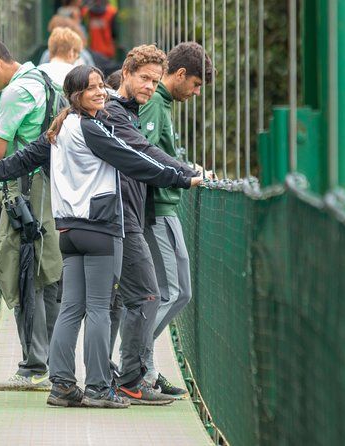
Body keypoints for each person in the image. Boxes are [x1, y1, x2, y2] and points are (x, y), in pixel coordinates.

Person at [0, 44, 201, 405]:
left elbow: (22, 159)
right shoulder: (95, 129)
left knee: (73, 307)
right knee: (103, 308)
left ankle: (61, 385)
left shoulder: (58, 129)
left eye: (101, 89)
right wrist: (182, 176)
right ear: (79, 95)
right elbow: (135, 158)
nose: (101, 94)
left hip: (66, 229)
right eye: (94, 89)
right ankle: (99, 386)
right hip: (102, 228)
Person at [0, 37, 62, 391]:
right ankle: (50, 359)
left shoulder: (14, 93)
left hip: (24, 190)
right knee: (46, 271)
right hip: (49, 188)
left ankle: (34, 366)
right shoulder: (42, 80)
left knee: (21, 273)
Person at [139, 42, 215, 398]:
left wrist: (190, 168)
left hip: (167, 207)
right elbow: (146, 157)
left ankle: (146, 369)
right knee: (170, 292)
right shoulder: (155, 102)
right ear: (181, 74)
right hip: (157, 209)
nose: (197, 93)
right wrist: (185, 174)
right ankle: (133, 367)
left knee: (177, 292)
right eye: (196, 85)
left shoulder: (162, 104)